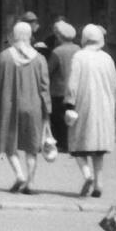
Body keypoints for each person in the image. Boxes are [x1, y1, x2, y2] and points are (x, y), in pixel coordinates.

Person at [0, 20, 51, 194]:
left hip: (10, 106)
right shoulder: (40, 59)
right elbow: (45, 87)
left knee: (10, 143)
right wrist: (47, 111)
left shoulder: (4, 57)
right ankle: (31, 181)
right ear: (30, 36)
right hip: (33, 106)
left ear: (14, 35)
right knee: (32, 147)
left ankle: (19, 175)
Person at [64, 23, 116, 199]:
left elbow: (73, 84)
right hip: (104, 107)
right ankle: (99, 183)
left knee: (78, 144)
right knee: (98, 148)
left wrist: (69, 104)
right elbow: (115, 85)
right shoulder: (107, 59)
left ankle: (87, 175)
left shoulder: (79, 57)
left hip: (83, 105)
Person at [46, 20, 80, 156]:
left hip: (58, 90)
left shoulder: (57, 52)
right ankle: (72, 143)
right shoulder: (78, 49)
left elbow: (48, 71)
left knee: (58, 118)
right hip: (75, 89)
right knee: (71, 117)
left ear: (59, 36)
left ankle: (62, 144)